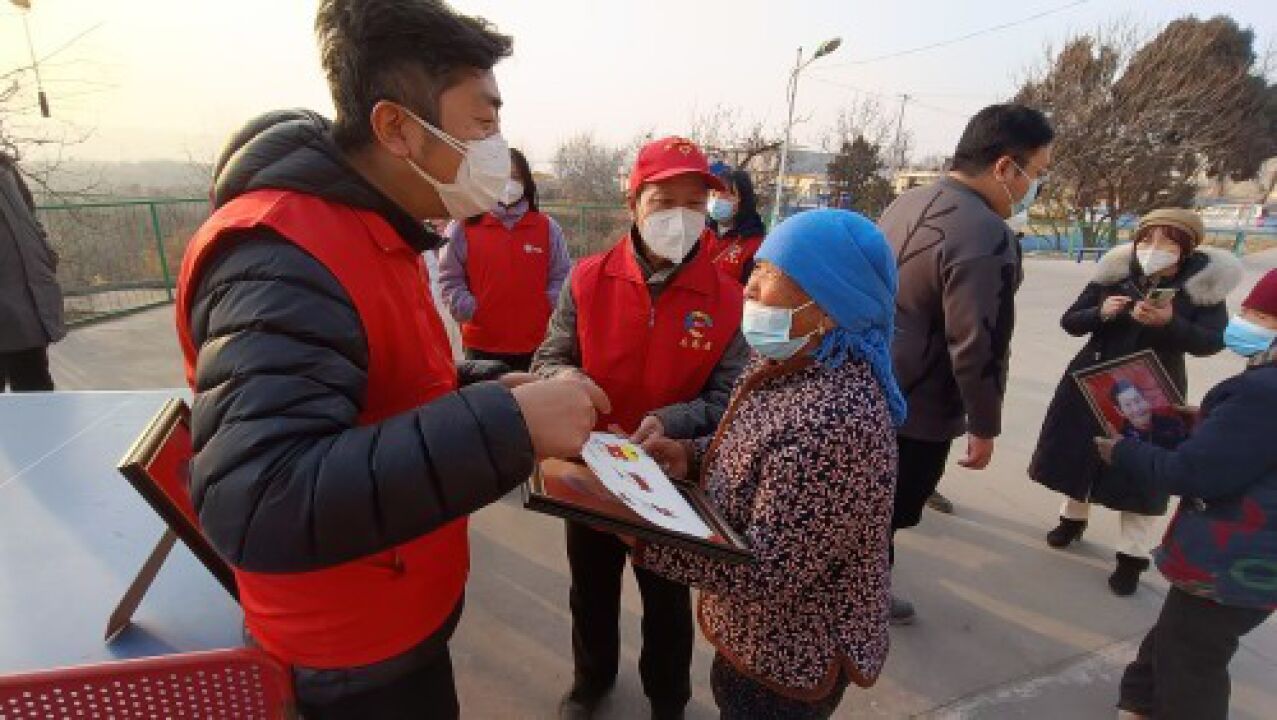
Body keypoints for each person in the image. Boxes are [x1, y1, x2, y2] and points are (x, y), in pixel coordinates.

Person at [173, 2, 609, 717]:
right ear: (396, 126)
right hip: (349, 651)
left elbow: (386, 383)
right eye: (482, 122)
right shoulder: (280, 256)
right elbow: (257, 498)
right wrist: (507, 423)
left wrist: (494, 384)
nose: (497, 148)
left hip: (401, 597)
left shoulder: (376, 224)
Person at [637, 209, 903, 720]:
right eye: (754, 270)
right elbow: (759, 440)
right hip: (754, 635)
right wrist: (690, 454)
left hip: (790, 659)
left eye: (771, 275)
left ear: (828, 306)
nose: (749, 288)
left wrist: (643, 532)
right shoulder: (793, 359)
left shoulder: (837, 418)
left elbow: (771, 571)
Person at [532, 136, 750, 720]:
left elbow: (730, 397)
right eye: (663, 201)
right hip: (590, 468)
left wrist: (672, 422)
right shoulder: (586, 280)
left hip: (670, 476)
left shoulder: (728, 301)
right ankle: (591, 681)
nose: (680, 218)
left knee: (667, 602)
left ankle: (667, 701)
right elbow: (545, 358)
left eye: (695, 205)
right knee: (593, 591)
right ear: (632, 203)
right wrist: (570, 381)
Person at [877, 103, 1054, 624]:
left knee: (867, 498)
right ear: (1005, 167)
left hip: (870, 379)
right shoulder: (986, 233)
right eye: (1035, 173)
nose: (1031, 187)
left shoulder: (906, 202)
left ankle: (857, 586)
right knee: (889, 508)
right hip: (921, 401)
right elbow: (978, 340)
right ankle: (863, 596)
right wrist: (984, 423)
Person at [1030, 208, 1241, 596]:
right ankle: (1072, 519)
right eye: (1146, 239)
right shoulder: (1116, 273)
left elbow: (1211, 342)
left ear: (1187, 247)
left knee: (1141, 469)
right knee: (1083, 452)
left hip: (1152, 388)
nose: (1153, 248)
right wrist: (1101, 312)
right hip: (1093, 379)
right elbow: (1070, 321)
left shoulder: (1200, 287)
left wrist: (1170, 323)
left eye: (1166, 241)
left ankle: (1132, 555)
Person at [1096, 269, 1277, 720]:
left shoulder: (1261, 392)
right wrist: (1208, 422)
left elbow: (1192, 473)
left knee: (1192, 665)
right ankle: (1138, 701)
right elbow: (1252, 446)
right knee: (1177, 636)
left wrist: (1123, 452)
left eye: (1259, 314)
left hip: (1234, 559)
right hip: (1254, 561)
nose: (1243, 320)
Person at [439, 147, 571, 371]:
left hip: (537, 344)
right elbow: (449, 278)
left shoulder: (547, 228)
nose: (509, 184)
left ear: (527, 182)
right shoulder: (463, 227)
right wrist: (470, 308)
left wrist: (547, 306)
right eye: (502, 176)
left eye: (516, 177)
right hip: (481, 345)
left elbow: (562, 277)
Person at [0, 153, 64, 392]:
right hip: (9, 306)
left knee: (36, 393)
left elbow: (29, 215)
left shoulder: (5, 168)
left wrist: (45, 252)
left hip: (26, 304)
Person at [704, 167, 766, 283]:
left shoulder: (755, 244)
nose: (717, 200)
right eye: (713, 194)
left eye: (727, 195)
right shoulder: (701, 233)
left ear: (743, 200)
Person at [1109, 380, 1188, 445]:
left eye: (1138, 400)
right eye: (1128, 405)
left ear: (1147, 399)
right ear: (1120, 411)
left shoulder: (1173, 424)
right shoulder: (1122, 441)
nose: (1137, 409)